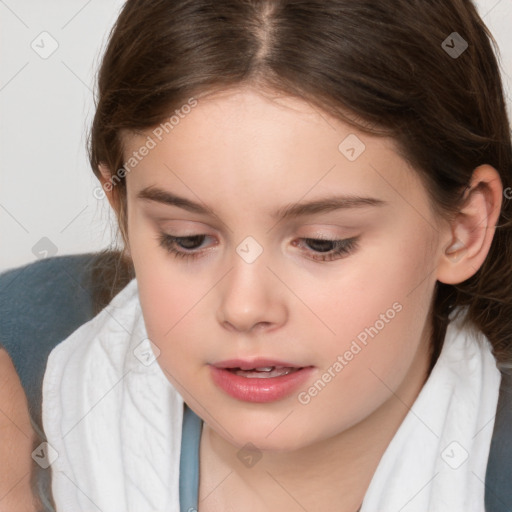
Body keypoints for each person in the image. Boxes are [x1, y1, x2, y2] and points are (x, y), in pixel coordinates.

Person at [4, 0, 512, 511]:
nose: (244, 308)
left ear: (462, 231)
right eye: (187, 239)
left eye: (322, 243)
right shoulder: (19, 352)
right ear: (124, 212)